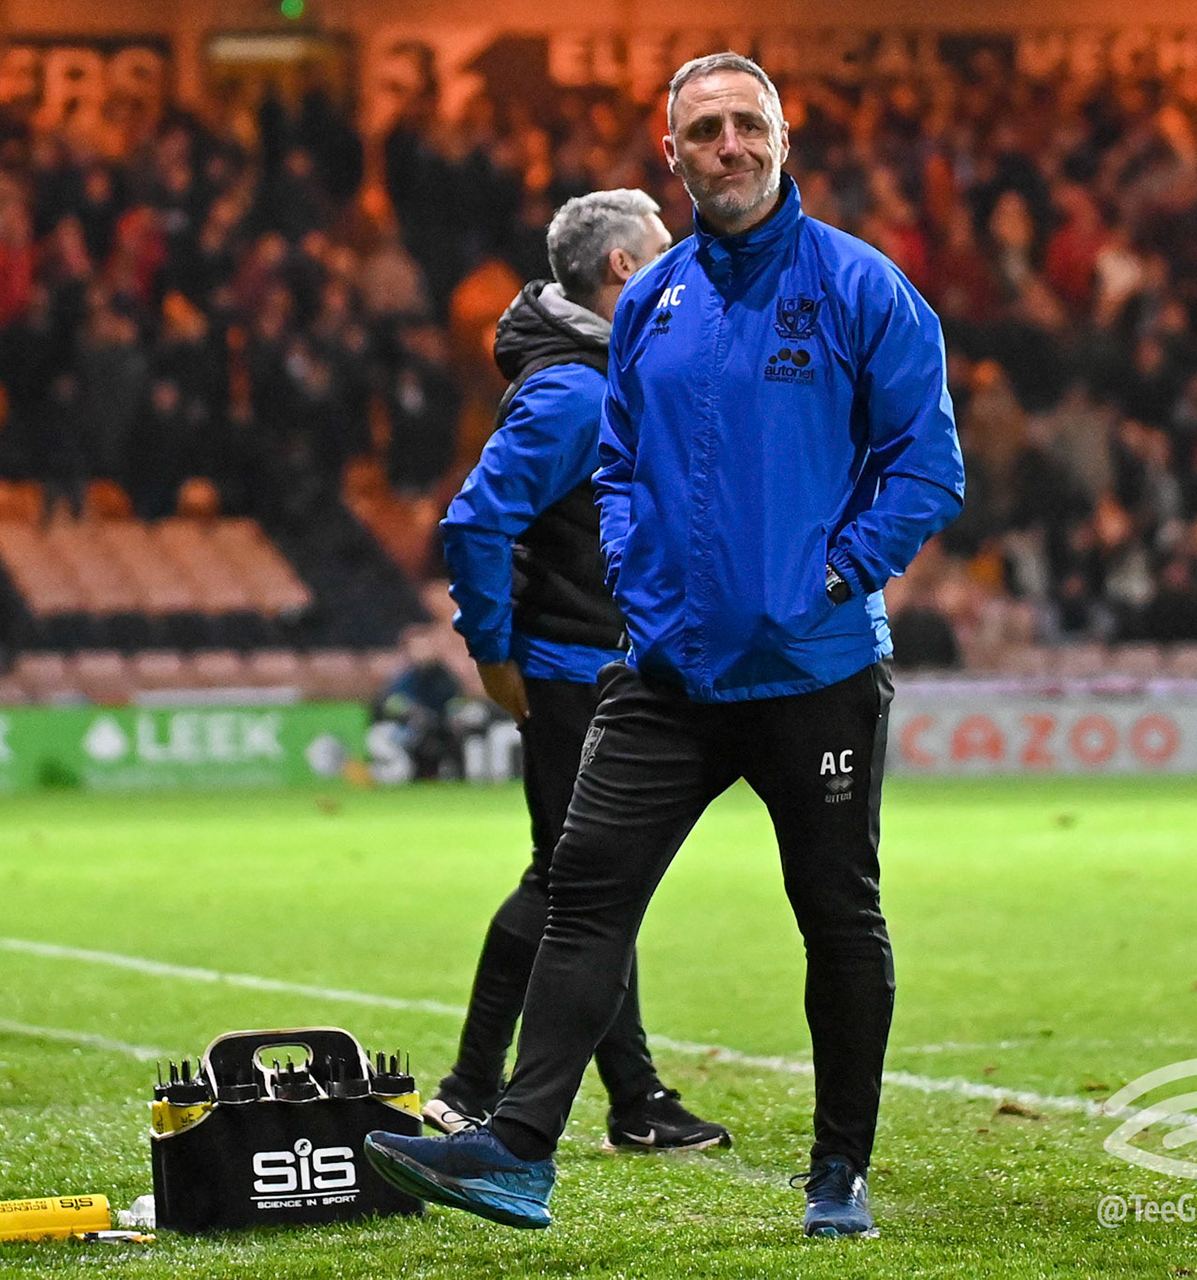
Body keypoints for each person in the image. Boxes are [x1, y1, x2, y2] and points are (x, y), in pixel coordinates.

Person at [366, 52, 964, 1238]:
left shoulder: (864, 287)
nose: (728, 145)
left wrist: (832, 573)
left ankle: (838, 1170)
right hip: (668, 670)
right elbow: (621, 469)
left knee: (836, 914)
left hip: (816, 668)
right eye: (705, 130)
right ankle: (518, 1150)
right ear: (673, 155)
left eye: (747, 123)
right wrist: (643, 583)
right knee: (585, 890)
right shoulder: (651, 303)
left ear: (783, 139)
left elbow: (928, 467)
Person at [429, 189, 728, 1154]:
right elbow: (476, 521)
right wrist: (492, 652)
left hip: (603, 665)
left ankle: (630, 1098)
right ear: (623, 270)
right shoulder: (574, 393)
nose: (681, 262)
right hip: (572, 672)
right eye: (663, 248)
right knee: (573, 884)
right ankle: (473, 1090)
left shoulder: (611, 373)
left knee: (587, 882)